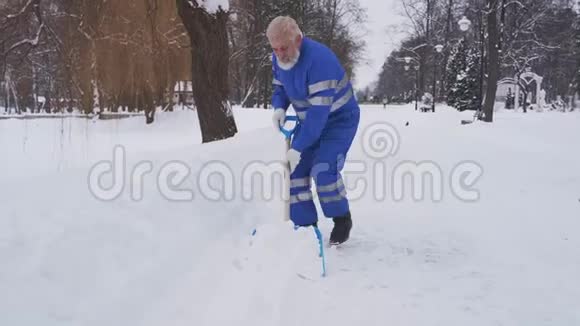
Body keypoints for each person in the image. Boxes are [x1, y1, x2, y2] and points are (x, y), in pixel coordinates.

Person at [267, 16, 360, 245]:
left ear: (298, 39)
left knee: (323, 169)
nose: (279, 54)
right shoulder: (279, 58)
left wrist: (298, 147)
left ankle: (341, 219)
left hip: (339, 120)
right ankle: (306, 229)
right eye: (275, 49)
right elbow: (280, 86)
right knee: (296, 173)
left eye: (284, 48)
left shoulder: (320, 61)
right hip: (308, 121)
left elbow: (318, 117)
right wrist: (279, 107)